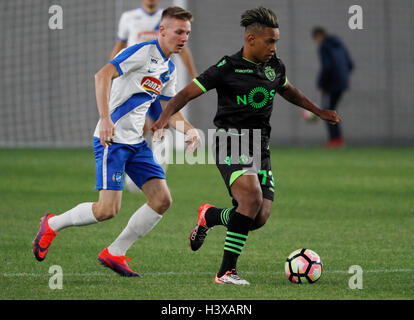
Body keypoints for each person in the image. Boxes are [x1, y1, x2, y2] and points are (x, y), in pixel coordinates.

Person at [152, 7, 340, 285]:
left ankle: (210, 215)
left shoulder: (274, 66)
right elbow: (185, 93)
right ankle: (225, 272)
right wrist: (164, 118)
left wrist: (318, 110)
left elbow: (288, 89)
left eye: (276, 41)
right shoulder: (227, 67)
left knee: (258, 216)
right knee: (250, 199)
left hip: (260, 146)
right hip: (230, 140)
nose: (274, 47)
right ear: (251, 39)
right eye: (270, 41)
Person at [32, 7, 201, 277]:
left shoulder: (169, 68)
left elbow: (168, 111)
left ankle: (115, 252)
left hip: (136, 143)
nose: (184, 38)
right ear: (163, 30)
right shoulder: (141, 52)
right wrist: (105, 119)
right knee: (107, 210)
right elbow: (101, 75)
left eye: (188, 33)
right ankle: (52, 223)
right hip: (111, 140)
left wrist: (190, 130)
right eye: (179, 32)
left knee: (161, 200)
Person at [111, 0, 198, 193]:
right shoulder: (129, 18)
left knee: (163, 125)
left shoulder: (171, 20)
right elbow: (119, 46)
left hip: (159, 82)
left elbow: (184, 51)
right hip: (134, 85)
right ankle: (132, 173)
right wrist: (111, 72)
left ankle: (156, 172)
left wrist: (193, 76)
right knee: (139, 128)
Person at [312, 27, 353, 148]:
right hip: (342, 82)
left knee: (327, 110)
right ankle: (337, 139)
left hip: (332, 83)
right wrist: (343, 77)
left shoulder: (324, 46)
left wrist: (320, 83)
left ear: (318, 36)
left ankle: (335, 140)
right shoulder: (340, 45)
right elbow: (350, 64)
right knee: (331, 109)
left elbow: (327, 67)